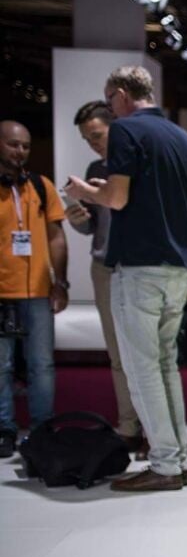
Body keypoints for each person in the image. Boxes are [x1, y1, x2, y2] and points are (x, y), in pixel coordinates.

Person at [64, 65, 187, 492]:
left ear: (122, 94)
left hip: (140, 266)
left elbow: (117, 198)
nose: (110, 109)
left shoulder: (125, 130)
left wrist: (85, 191)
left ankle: (165, 465)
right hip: (178, 266)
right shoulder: (180, 137)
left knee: (142, 370)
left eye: (109, 100)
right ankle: (176, 459)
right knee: (165, 365)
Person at [64, 100, 143, 451]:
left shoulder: (139, 162)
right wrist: (78, 220)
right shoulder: (96, 167)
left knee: (144, 353)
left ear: (114, 127)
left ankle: (152, 429)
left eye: (96, 135)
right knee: (116, 354)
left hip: (138, 267)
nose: (93, 143)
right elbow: (93, 226)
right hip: (104, 267)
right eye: (87, 138)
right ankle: (128, 426)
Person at [0, 120, 69, 457]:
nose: (20, 151)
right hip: (2, 292)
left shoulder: (41, 187)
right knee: (1, 366)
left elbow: (56, 237)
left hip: (38, 292)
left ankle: (42, 427)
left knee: (42, 363)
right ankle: (5, 428)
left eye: (25, 146)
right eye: (13, 144)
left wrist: (61, 281)